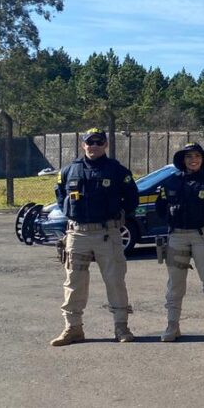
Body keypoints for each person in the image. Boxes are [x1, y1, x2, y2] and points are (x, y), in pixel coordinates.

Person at [50, 127, 140, 346]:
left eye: (99, 142)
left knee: (115, 281)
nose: (94, 146)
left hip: (107, 234)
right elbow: (60, 195)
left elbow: (131, 200)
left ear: (106, 145)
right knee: (74, 282)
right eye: (90, 142)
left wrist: (116, 216)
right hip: (77, 234)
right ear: (83, 145)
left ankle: (121, 327)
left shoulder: (117, 171)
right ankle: (73, 329)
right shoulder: (69, 170)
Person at [155, 143, 204, 342]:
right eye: (189, 157)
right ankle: (172, 325)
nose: (193, 160)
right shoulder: (170, 182)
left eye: (197, 156)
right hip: (177, 237)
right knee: (175, 284)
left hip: (202, 236)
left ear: (203, 159)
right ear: (183, 160)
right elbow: (160, 209)